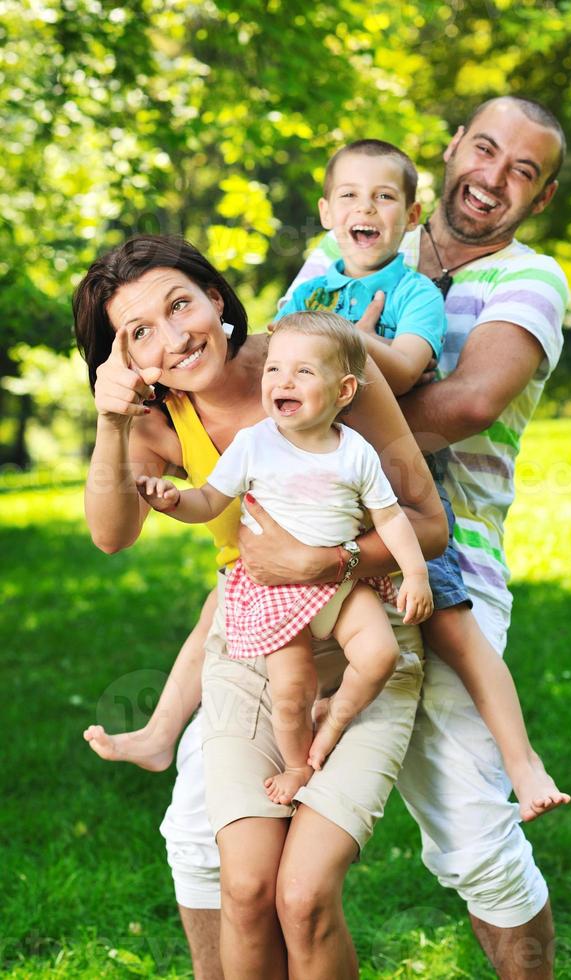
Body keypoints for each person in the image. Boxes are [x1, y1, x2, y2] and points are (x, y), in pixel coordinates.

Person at [75, 234, 446, 979]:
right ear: (123, 360)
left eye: (181, 304)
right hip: (254, 648)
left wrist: (322, 560)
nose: (174, 338)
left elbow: (427, 525)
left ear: (216, 298)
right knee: (244, 888)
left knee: (302, 896)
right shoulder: (156, 420)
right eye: (139, 332)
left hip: (359, 646)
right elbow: (112, 536)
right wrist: (110, 424)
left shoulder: (318, 360)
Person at [276, 95, 570, 978]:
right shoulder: (346, 244)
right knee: (214, 828)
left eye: (523, 170)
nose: (493, 178)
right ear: (452, 150)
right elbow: (276, 367)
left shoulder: (531, 279)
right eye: (485, 150)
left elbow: (472, 401)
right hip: (301, 556)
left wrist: (325, 418)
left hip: (449, 559)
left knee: (476, 841)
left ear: (542, 196)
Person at [133, 311, 434, 804]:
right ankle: (298, 766)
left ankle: (335, 715)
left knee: (380, 656)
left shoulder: (354, 451)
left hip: (342, 586)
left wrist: (416, 575)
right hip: (277, 592)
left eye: (304, 372)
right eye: (273, 369)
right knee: (290, 692)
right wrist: (172, 501)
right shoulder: (255, 444)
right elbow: (209, 500)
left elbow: (393, 518)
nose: (282, 381)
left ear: (344, 392)